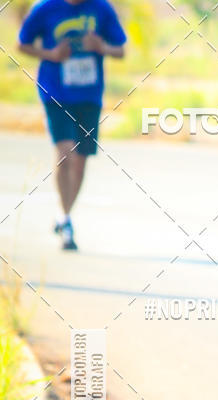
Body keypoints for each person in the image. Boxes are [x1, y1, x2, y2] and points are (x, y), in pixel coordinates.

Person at [18, 0, 126, 250]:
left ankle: (64, 214)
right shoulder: (45, 7)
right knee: (65, 154)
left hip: (88, 95)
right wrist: (51, 55)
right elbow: (21, 43)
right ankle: (66, 222)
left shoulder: (101, 8)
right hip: (55, 91)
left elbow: (120, 49)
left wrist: (101, 47)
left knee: (80, 161)